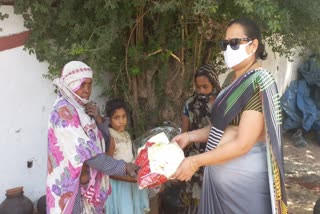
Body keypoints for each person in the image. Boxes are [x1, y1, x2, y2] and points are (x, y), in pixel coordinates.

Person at [172, 17, 288, 214]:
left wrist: (195, 161)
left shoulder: (259, 82)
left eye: (235, 43)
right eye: (225, 44)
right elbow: (220, 128)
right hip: (219, 185)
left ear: (253, 45)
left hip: (245, 190)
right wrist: (189, 136)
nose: (228, 49)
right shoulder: (230, 80)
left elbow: (243, 143)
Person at [47, 61, 139, 214]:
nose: (87, 90)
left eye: (89, 85)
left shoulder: (81, 108)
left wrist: (98, 118)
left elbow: (102, 141)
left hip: (87, 186)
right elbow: (88, 153)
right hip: (72, 189)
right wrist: (124, 167)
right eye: (82, 85)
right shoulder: (63, 113)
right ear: (71, 84)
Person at [160, 64, 221, 214]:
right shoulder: (190, 104)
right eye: (198, 87)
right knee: (194, 202)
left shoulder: (222, 103)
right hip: (194, 160)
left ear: (214, 84)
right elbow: (185, 132)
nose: (200, 91)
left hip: (217, 156)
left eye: (205, 87)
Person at [104, 98, 150, 214]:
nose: (121, 121)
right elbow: (108, 168)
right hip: (119, 185)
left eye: (124, 116)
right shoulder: (111, 138)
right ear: (109, 120)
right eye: (117, 118)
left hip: (131, 180)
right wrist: (130, 178)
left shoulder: (126, 135)